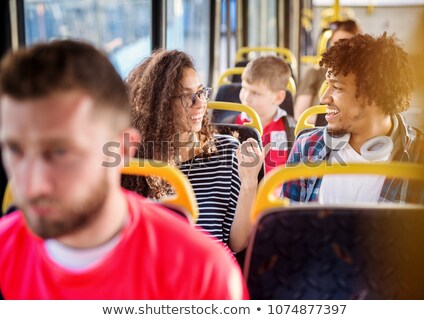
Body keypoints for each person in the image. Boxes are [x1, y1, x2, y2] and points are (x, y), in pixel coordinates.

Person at [0, 40, 248, 299]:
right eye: (15, 149)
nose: (32, 183)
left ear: (122, 149)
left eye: (61, 152)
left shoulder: (203, 274)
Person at [121, 50, 262, 254]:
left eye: (200, 92)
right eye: (187, 97)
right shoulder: (137, 162)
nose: (200, 104)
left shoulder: (229, 152)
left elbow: (238, 243)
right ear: (160, 105)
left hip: (209, 271)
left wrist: (249, 183)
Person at [283, 33, 424, 204]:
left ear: (374, 94)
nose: (324, 98)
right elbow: (286, 227)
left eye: (337, 87)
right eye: (327, 85)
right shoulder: (306, 146)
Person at [232, 56, 296, 174]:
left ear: (278, 97)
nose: (246, 97)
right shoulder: (230, 125)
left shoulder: (293, 131)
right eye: (244, 88)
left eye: (256, 93)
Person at [294, 19, 361, 124]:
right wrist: (328, 121)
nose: (338, 48)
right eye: (335, 43)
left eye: (345, 44)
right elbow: (300, 115)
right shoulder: (314, 74)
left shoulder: (362, 77)